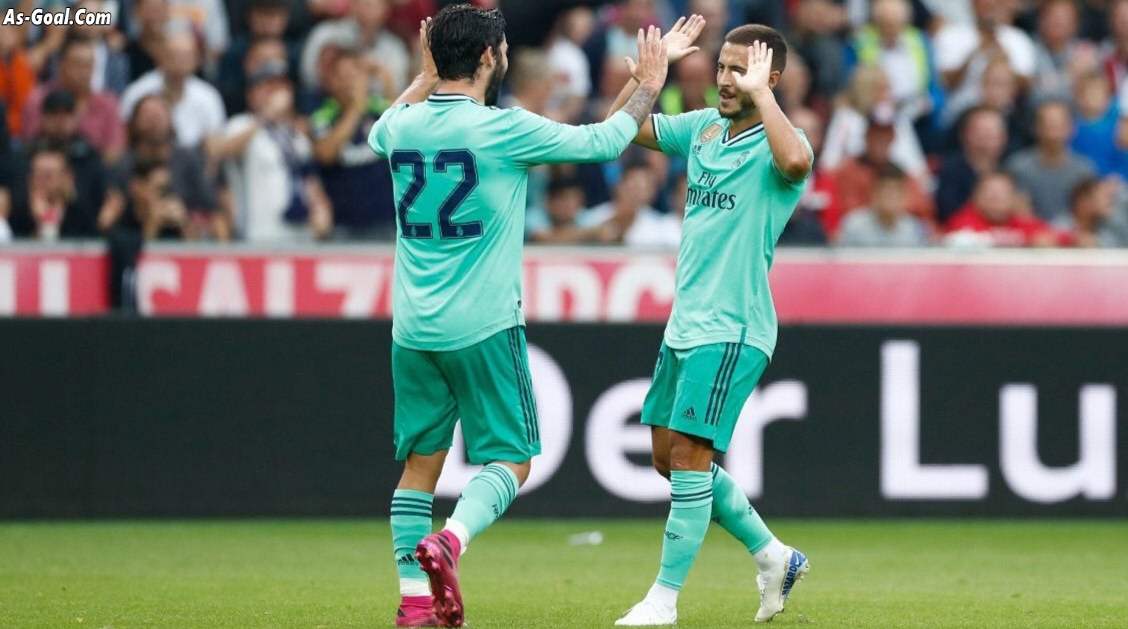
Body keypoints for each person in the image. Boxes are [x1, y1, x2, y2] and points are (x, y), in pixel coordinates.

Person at [367, 7, 669, 627]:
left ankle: (414, 604)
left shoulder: (402, 125)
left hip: (413, 329)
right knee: (513, 458)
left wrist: (425, 75)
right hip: (482, 326)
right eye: (501, 48)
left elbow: (377, 134)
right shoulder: (502, 129)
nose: (504, 55)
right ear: (487, 58)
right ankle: (451, 541)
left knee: (419, 466)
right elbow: (604, 142)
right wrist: (648, 85)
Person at [606, 19, 812, 626]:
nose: (723, 79)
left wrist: (763, 95)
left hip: (734, 326)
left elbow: (796, 163)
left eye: (739, 70)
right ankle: (774, 556)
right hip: (685, 324)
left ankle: (663, 600)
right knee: (667, 459)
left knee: (691, 456)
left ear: (770, 78)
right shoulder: (703, 129)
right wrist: (650, 77)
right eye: (721, 66)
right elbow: (619, 128)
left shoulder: (781, 140)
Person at [311, 48, 396, 239]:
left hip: (387, 223)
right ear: (331, 81)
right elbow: (326, 154)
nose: (350, 83)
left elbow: (403, 133)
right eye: (343, 77)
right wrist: (355, 109)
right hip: (343, 226)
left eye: (355, 76)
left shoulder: (378, 109)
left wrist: (386, 77)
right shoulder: (323, 116)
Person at [120, 30, 227, 151]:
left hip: (194, 160)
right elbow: (124, 139)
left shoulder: (209, 96)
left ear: (197, 60)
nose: (180, 61)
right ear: (160, 56)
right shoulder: (137, 92)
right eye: (174, 54)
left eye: (186, 55)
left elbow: (215, 146)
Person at [1005, 100, 1096, 221]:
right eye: (1048, 125)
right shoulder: (1017, 167)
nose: (1054, 133)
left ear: (1072, 129)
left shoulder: (1085, 170)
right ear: (1036, 128)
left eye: (1059, 126)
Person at [945, 172, 1060, 247]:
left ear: (1014, 199)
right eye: (989, 195)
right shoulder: (962, 221)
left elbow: (1055, 237)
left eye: (1002, 195)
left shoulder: (1024, 222)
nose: (995, 201)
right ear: (975, 198)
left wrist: (1045, 241)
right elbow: (956, 240)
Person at [581, 162, 681, 247]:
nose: (637, 193)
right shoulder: (594, 216)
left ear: (653, 193)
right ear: (619, 185)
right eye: (634, 186)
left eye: (644, 188)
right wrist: (593, 234)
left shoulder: (661, 226)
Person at [837, 165, 929, 247]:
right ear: (874, 194)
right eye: (885, 191)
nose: (890, 197)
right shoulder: (854, 225)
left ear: (904, 196)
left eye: (895, 192)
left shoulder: (915, 229)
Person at [1056, 177, 1127, 247]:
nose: (1109, 201)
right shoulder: (1062, 225)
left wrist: (1097, 242)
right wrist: (1073, 240)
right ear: (1083, 202)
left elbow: (1123, 242)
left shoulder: (1106, 222)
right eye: (1103, 197)